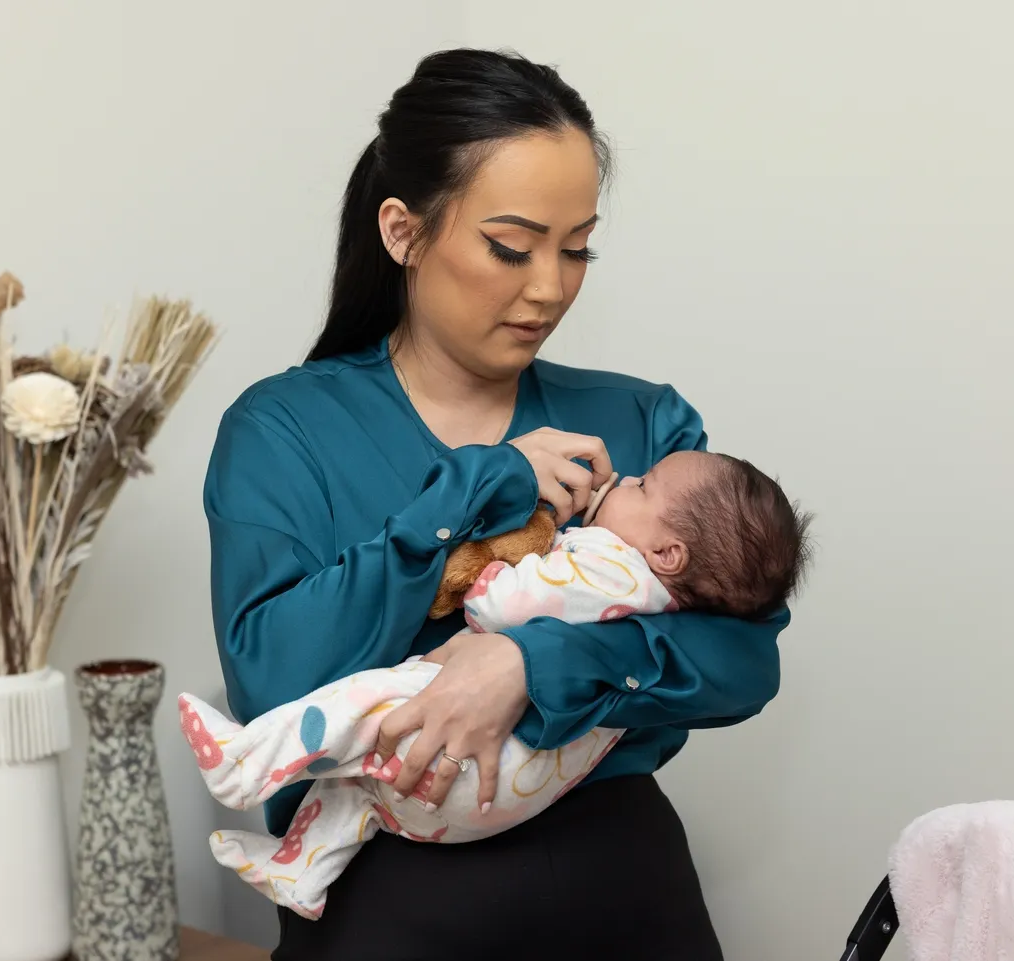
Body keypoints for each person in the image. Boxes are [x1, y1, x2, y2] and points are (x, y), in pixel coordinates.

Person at [203, 47, 795, 960]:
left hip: (626, 891)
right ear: (402, 230)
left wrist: (531, 664)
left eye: (578, 246)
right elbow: (274, 684)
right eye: (512, 248)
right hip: (390, 906)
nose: (551, 286)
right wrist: (480, 487)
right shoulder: (283, 430)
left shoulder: (642, 423)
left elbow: (745, 660)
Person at [183, 449, 811, 921]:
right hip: (491, 800)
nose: (624, 479)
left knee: (366, 706)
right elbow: (267, 667)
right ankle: (305, 869)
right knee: (360, 790)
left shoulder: (612, 563)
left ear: (669, 553)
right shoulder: (664, 593)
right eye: (515, 260)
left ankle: (248, 763)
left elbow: (508, 606)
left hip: (473, 777)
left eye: (642, 486)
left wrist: (517, 644)